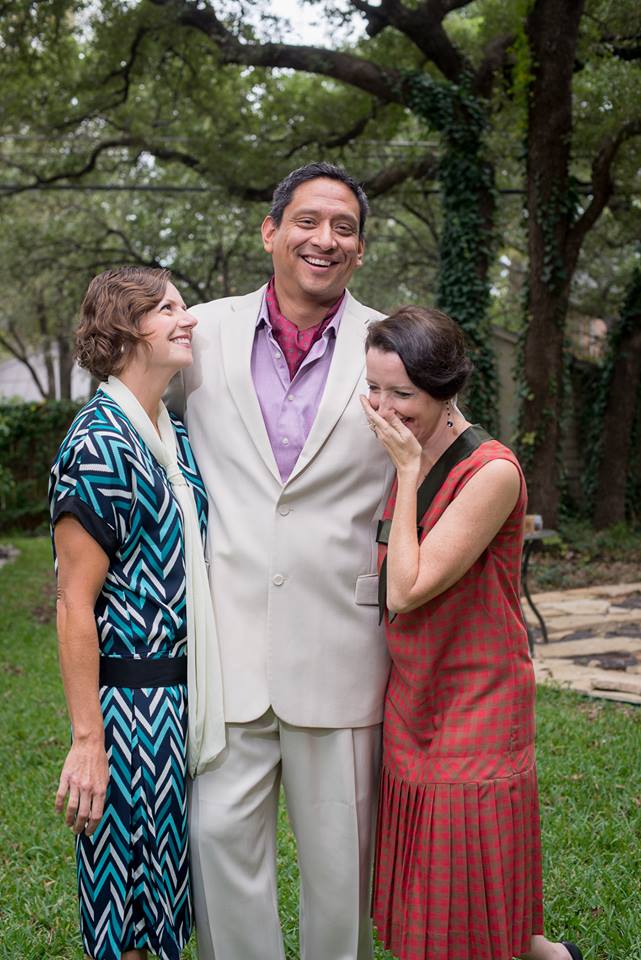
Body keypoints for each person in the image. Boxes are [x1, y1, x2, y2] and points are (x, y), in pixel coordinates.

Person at [183, 162, 395, 960]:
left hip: (342, 651)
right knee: (218, 847)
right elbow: (129, 420)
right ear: (270, 232)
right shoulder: (197, 330)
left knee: (342, 871)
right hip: (225, 651)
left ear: (360, 250)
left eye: (343, 227)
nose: (325, 238)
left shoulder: (390, 343)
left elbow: (447, 456)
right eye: (307, 221)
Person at [361, 305, 583, 960]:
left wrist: (403, 473)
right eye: (373, 387)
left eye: (401, 393)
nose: (382, 406)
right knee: (429, 877)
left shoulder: (490, 472)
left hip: (476, 697)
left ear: (446, 388)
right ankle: (544, 953)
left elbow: (407, 587)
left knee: (464, 854)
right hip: (412, 691)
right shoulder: (404, 444)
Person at [49, 266, 224, 960]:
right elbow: (73, 603)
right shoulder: (99, 446)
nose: (188, 320)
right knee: (128, 900)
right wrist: (88, 741)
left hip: (178, 697)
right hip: (129, 707)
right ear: (124, 330)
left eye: (183, 306)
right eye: (168, 309)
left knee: (166, 897)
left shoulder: (167, 431)